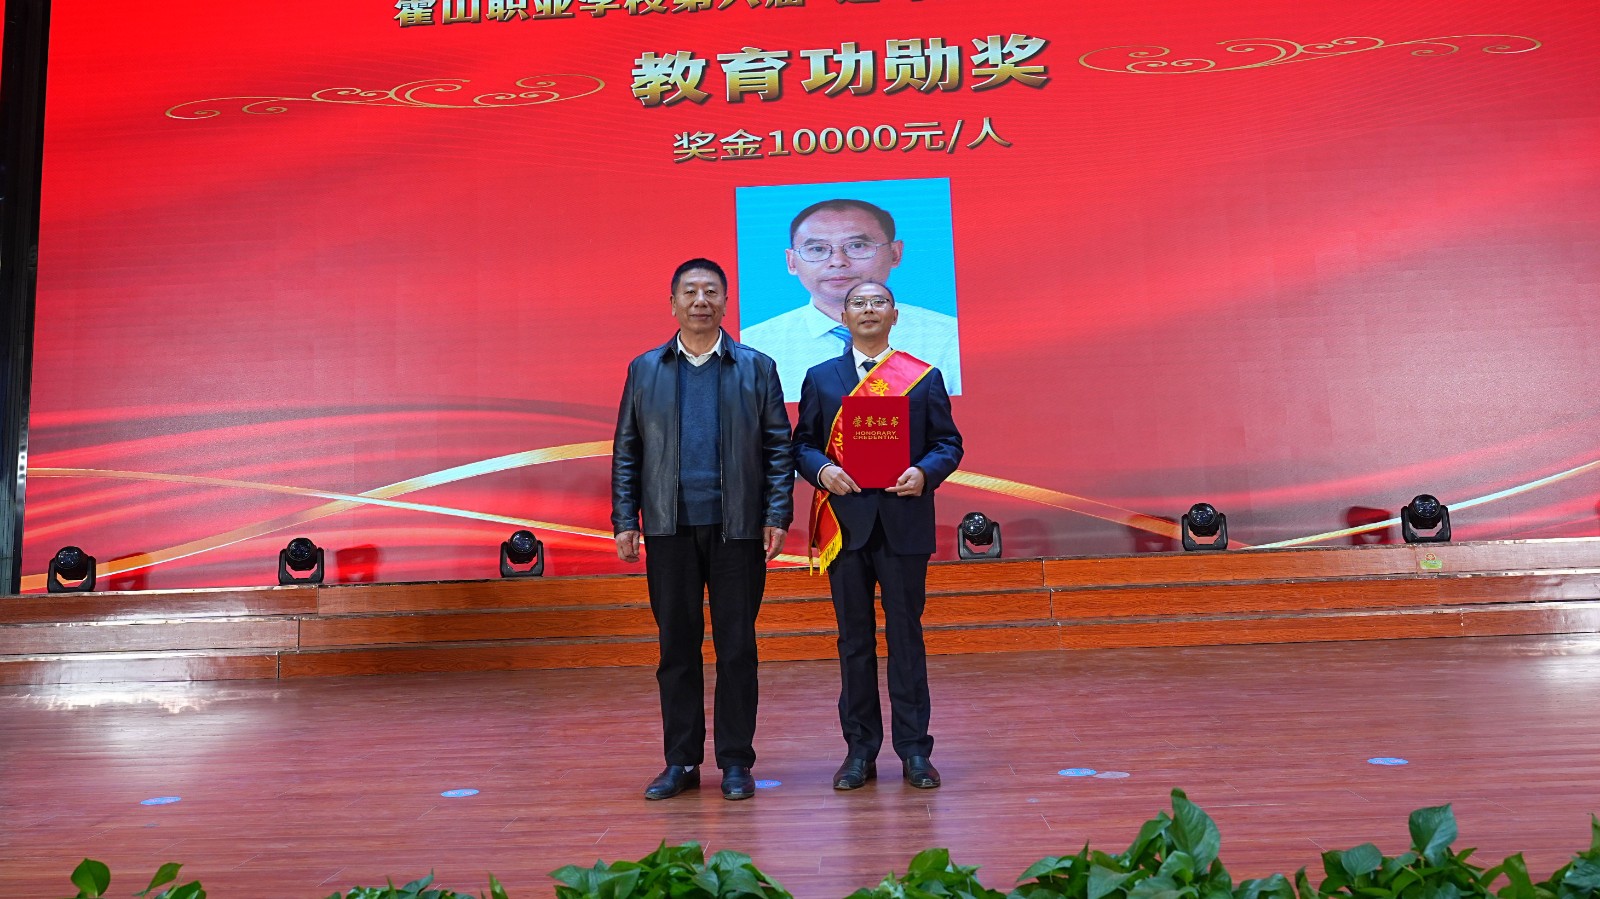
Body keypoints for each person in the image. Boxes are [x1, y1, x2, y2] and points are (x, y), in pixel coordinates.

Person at [612, 258, 794, 801]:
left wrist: (776, 514)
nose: (700, 301)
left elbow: (778, 448)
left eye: (710, 291)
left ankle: (736, 762)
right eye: (689, 292)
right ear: (672, 304)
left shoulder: (757, 368)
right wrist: (625, 519)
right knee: (677, 649)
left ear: (725, 302)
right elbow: (627, 450)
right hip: (667, 528)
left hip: (737, 529)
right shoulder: (645, 369)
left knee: (737, 648)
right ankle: (681, 762)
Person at [792, 280, 963, 791]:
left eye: (878, 302)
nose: (868, 310)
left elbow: (948, 443)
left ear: (894, 314)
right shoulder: (820, 378)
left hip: (903, 523)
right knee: (854, 642)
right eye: (858, 303)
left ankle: (915, 751)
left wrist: (925, 473)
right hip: (846, 526)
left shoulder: (923, 377)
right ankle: (859, 752)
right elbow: (802, 445)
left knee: (906, 639)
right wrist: (823, 470)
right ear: (843, 316)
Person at [740, 199, 962, 401]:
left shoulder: (949, 338)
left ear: (895, 253)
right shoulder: (752, 348)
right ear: (791, 262)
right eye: (817, 249)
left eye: (857, 246)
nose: (838, 261)